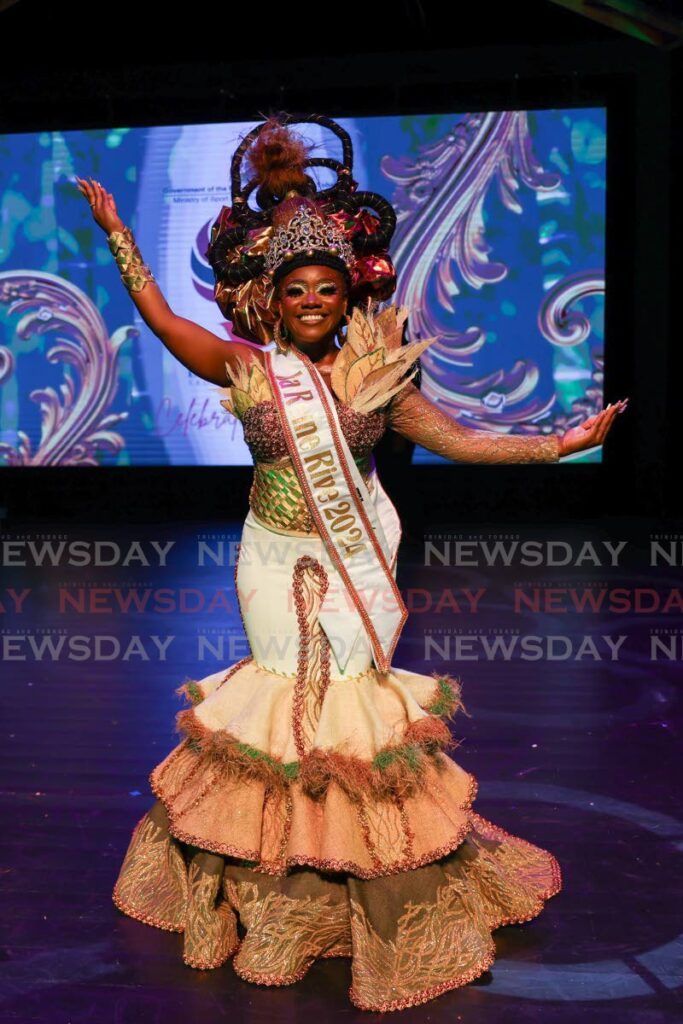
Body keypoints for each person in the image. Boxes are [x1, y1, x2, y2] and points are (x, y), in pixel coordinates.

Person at [76, 112, 625, 1013]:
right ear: (272, 299)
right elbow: (163, 318)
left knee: (346, 713)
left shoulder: (380, 381)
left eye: (326, 289)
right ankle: (271, 879)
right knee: (280, 706)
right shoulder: (248, 371)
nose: (311, 303)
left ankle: (345, 881)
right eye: (295, 291)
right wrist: (119, 239)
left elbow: (464, 442)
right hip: (268, 559)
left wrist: (561, 445)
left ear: (347, 295)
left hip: (350, 564)